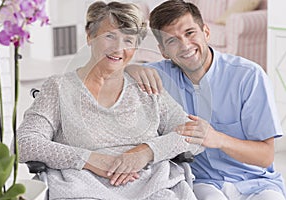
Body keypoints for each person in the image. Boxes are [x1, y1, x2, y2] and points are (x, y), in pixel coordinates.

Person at [16, 1, 203, 199]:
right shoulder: (59, 88)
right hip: (82, 187)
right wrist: (88, 159)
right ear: (90, 36)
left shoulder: (146, 86)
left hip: (153, 187)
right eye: (109, 36)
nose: (118, 49)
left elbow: (195, 136)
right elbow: (25, 143)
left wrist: (146, 152)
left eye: (128, 40)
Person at [125, 0, 286, 199]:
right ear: (163, 51)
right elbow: (112, 77)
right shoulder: (158, 76)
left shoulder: (249, 76)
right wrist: (130, 68)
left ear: (206, 32)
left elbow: (265, 156)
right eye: (172, 40)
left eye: (190, 33)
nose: (185, 45)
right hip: (203, 183)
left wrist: (218, 139)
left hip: (256, 182)